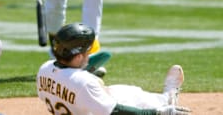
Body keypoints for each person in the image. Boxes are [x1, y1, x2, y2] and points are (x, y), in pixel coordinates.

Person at [36, 23, 192, 115]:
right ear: (77, 57)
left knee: (119, 90)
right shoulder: (84, 82)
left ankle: (164, 100)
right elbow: (115, 111)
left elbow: (65, 81)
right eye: (87, 52)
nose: (89, 56)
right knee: (130, 96)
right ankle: (166, 101)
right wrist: (155, 113)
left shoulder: (44, 69)